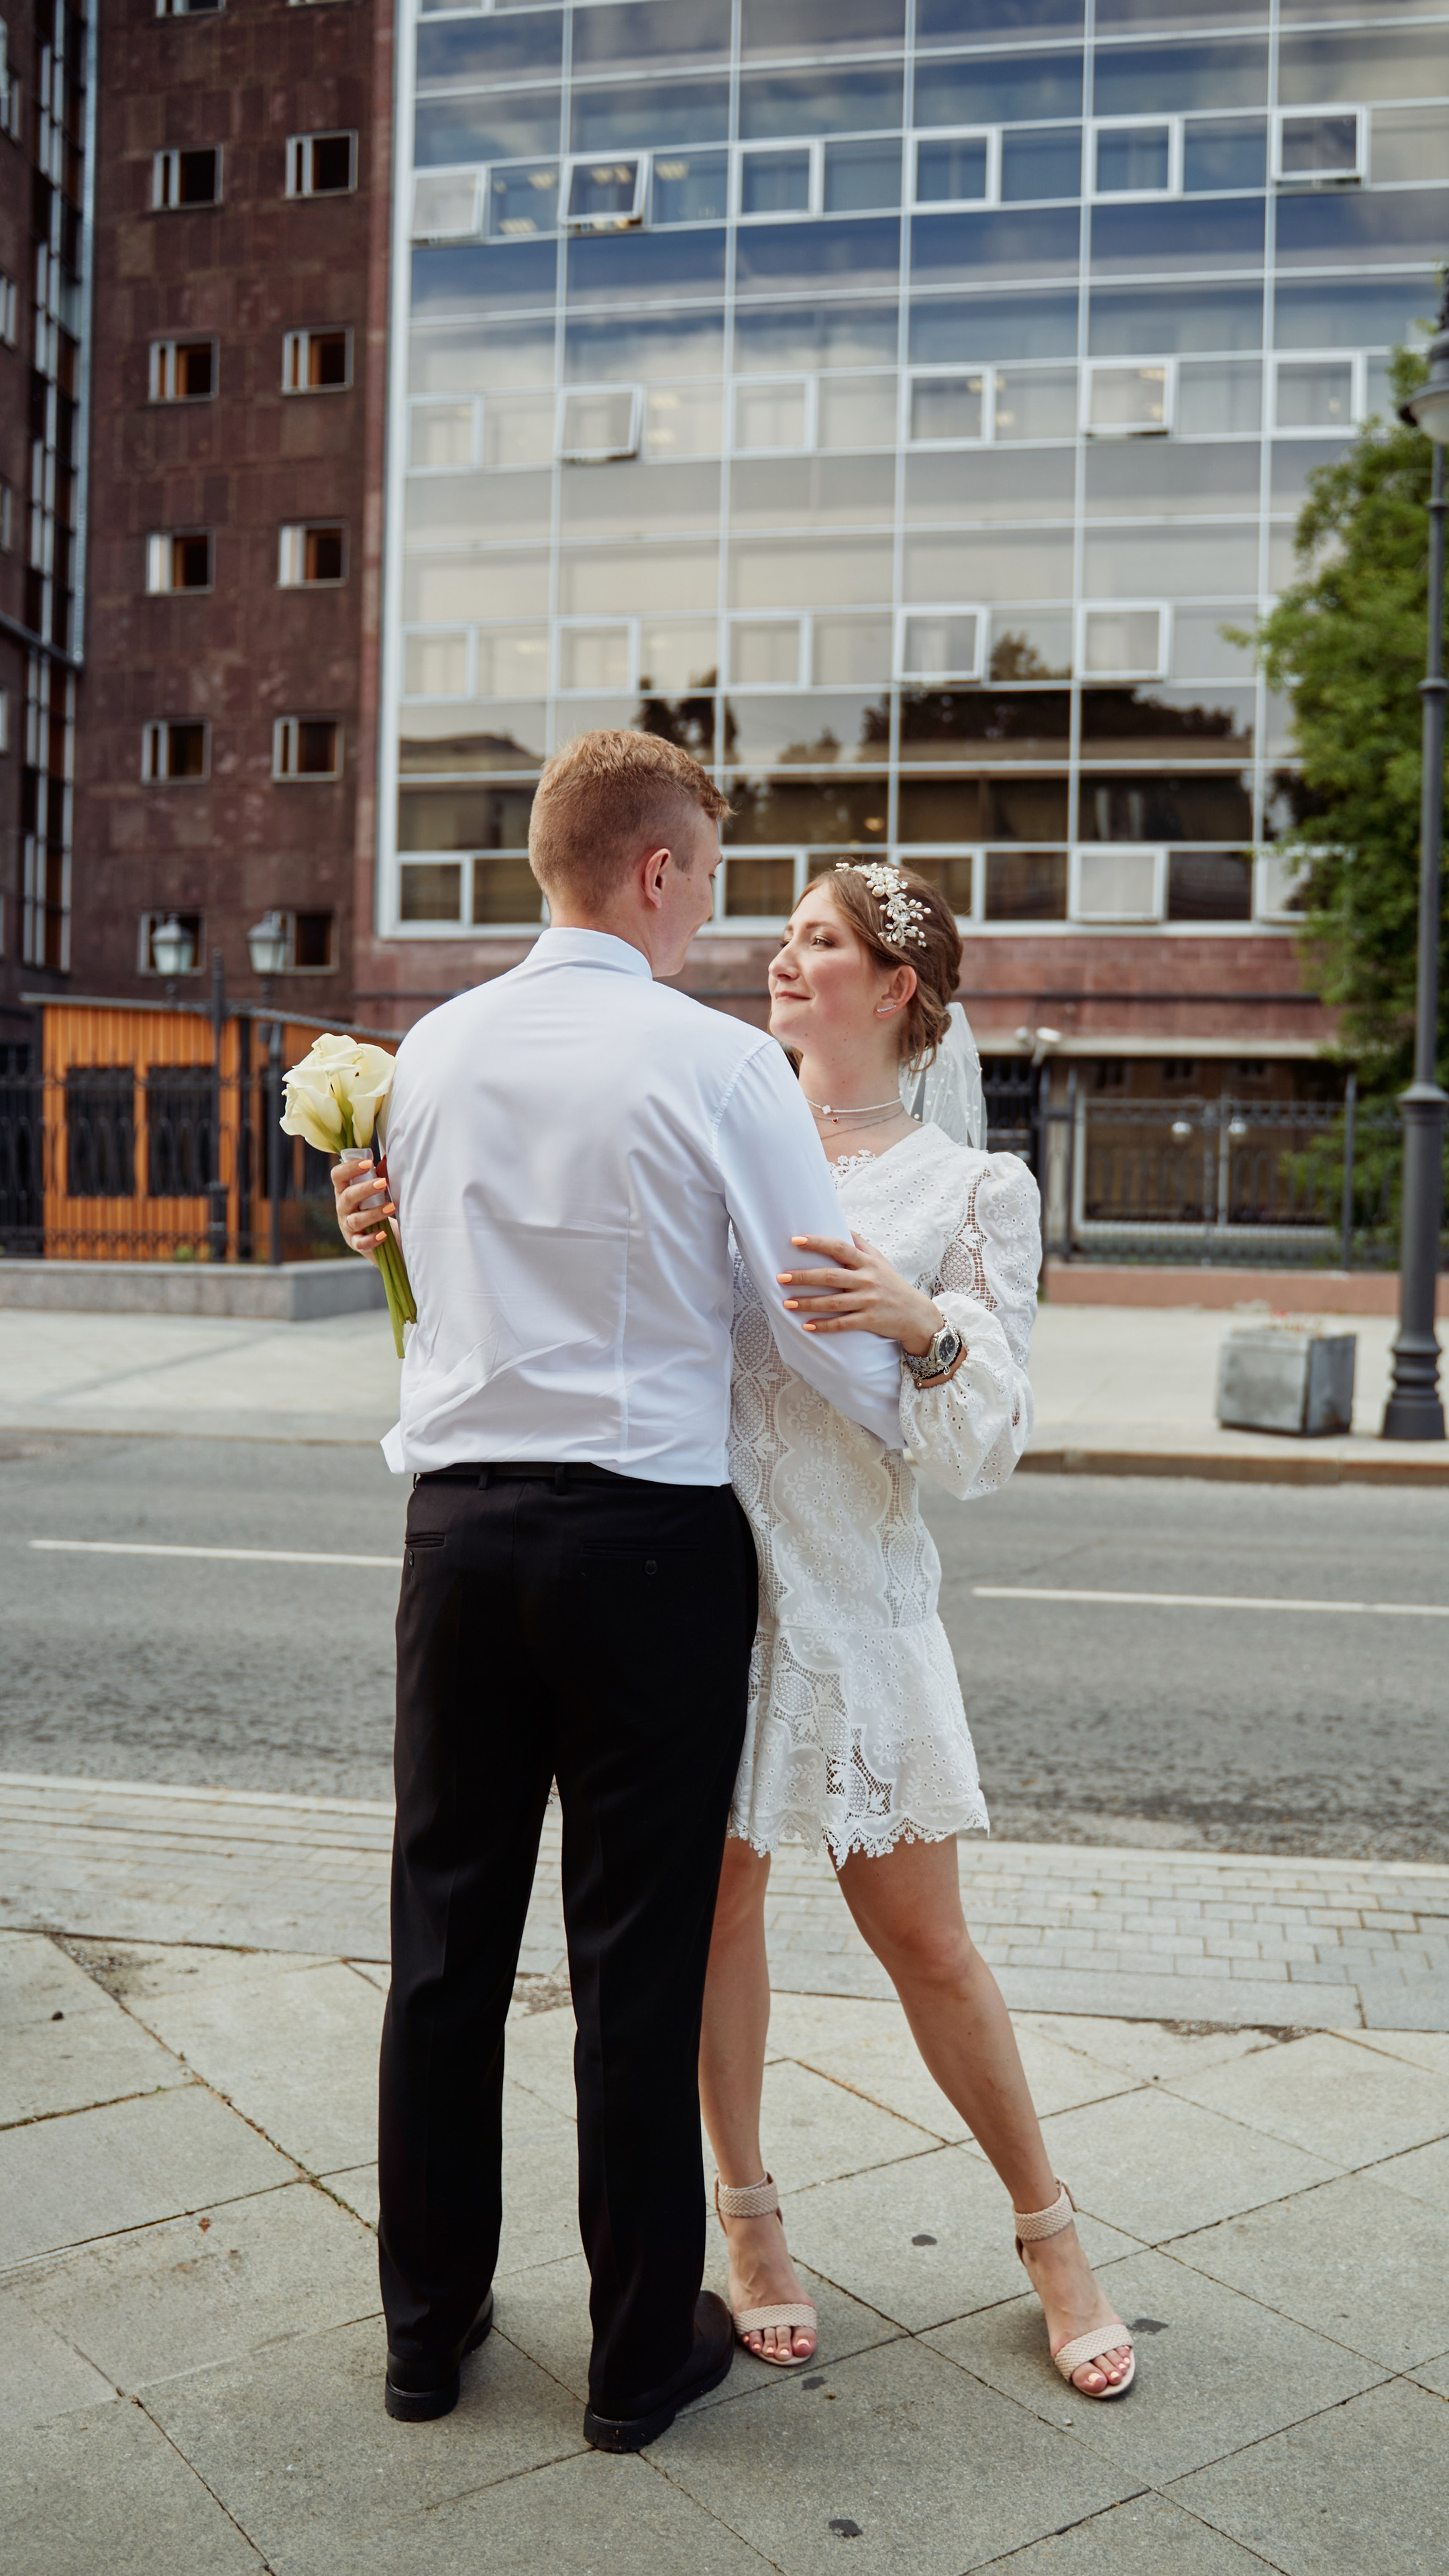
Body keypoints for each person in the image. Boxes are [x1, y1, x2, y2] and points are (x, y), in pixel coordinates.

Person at [339, 851, 1133, 2406]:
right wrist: (394, 1221)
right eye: (778, 931)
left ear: (895, 987)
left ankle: (1051, 2239)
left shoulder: (975, 1189)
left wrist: (922, 1326)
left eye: (818, 941)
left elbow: (984, 1444)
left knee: (925, 1943)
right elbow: (576, 1280)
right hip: (689, 1598)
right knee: (703, 1930)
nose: (781, 957)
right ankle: (750, 2231)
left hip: (852, 1607)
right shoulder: (716, 1112)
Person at [356, 730, 903, 2453]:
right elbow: (811, 1306)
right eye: (709, 881)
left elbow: (425, 1285)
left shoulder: (429, 1055)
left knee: (443, 1943)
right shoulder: (715, 1062)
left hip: (457, 1540)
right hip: (645, 1548)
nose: (711, 916)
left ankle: (424, 2336)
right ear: (656, 871)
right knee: (635, 1961)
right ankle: (633, 2357)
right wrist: (923, 1388)